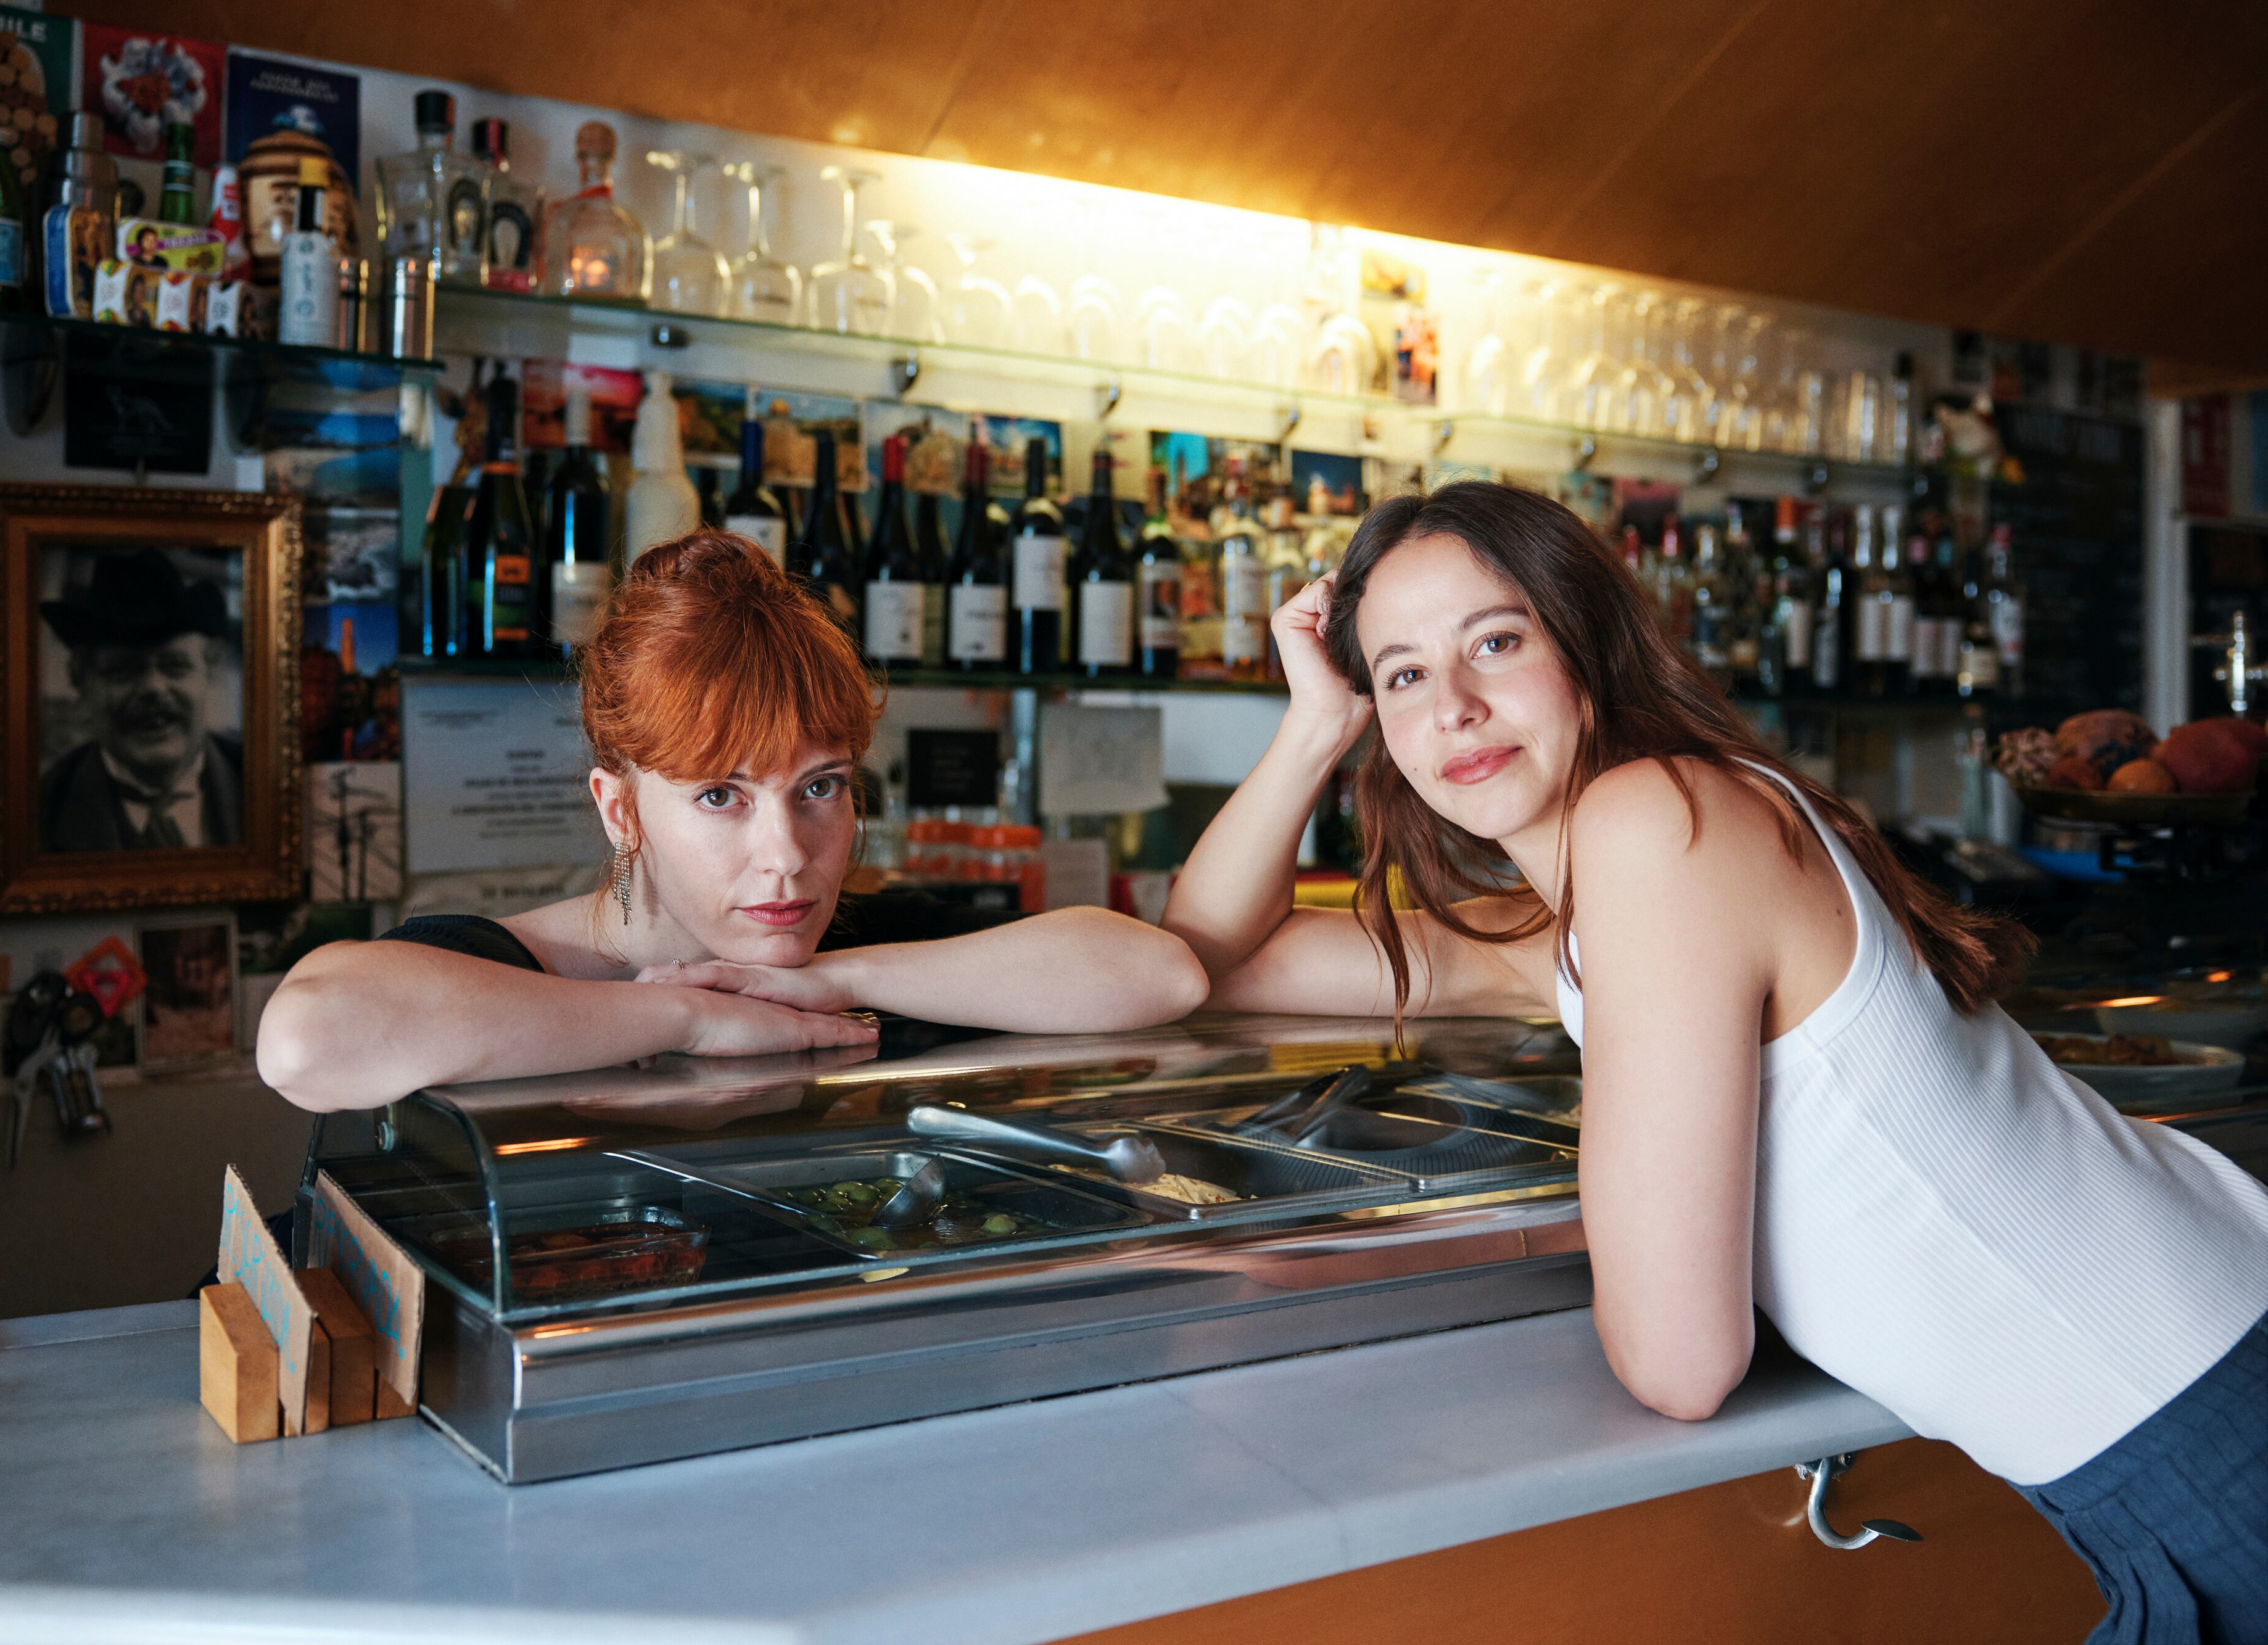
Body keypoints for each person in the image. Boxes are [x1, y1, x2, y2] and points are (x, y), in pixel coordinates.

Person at [1163, 481, 2268, 1641]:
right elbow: (1204, 954)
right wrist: (1306, 732)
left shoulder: (1655, 826)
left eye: (1496, 641)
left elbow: (1680, 1362)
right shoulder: (1592, 909)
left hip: (2208, 1435)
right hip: (2185, 1419)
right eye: (1402, 675)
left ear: (1586, 646)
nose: (1456, 707)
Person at [258, 531, 1207, 1113]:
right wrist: (695, 1016)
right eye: (722, 795)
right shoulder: (488, 962)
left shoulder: (861, 949)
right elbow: (308, 1039)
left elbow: (1159, 971)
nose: (788, 855)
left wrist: (832, 977)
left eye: (821, 787)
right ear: (621, 807)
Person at [36, 549, 242, 852]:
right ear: (81, 682)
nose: (153, 688)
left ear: (208, 673)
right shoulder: (40, 812)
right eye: (123, 671)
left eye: (174, 666)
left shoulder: (264, 786)